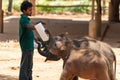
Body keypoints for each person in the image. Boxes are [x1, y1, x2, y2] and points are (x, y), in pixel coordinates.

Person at [19, 1, 35, 80]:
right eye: (29, 10)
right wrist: (39, 27)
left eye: (31, 10)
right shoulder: (23, 20)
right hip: (26, 46)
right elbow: (30, 27)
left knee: (29, 65)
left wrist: (36, 39)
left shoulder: (27, 19)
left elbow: (29, 32)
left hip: (30, 46)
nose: (31, 11)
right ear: (24, 11)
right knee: (25, 65)